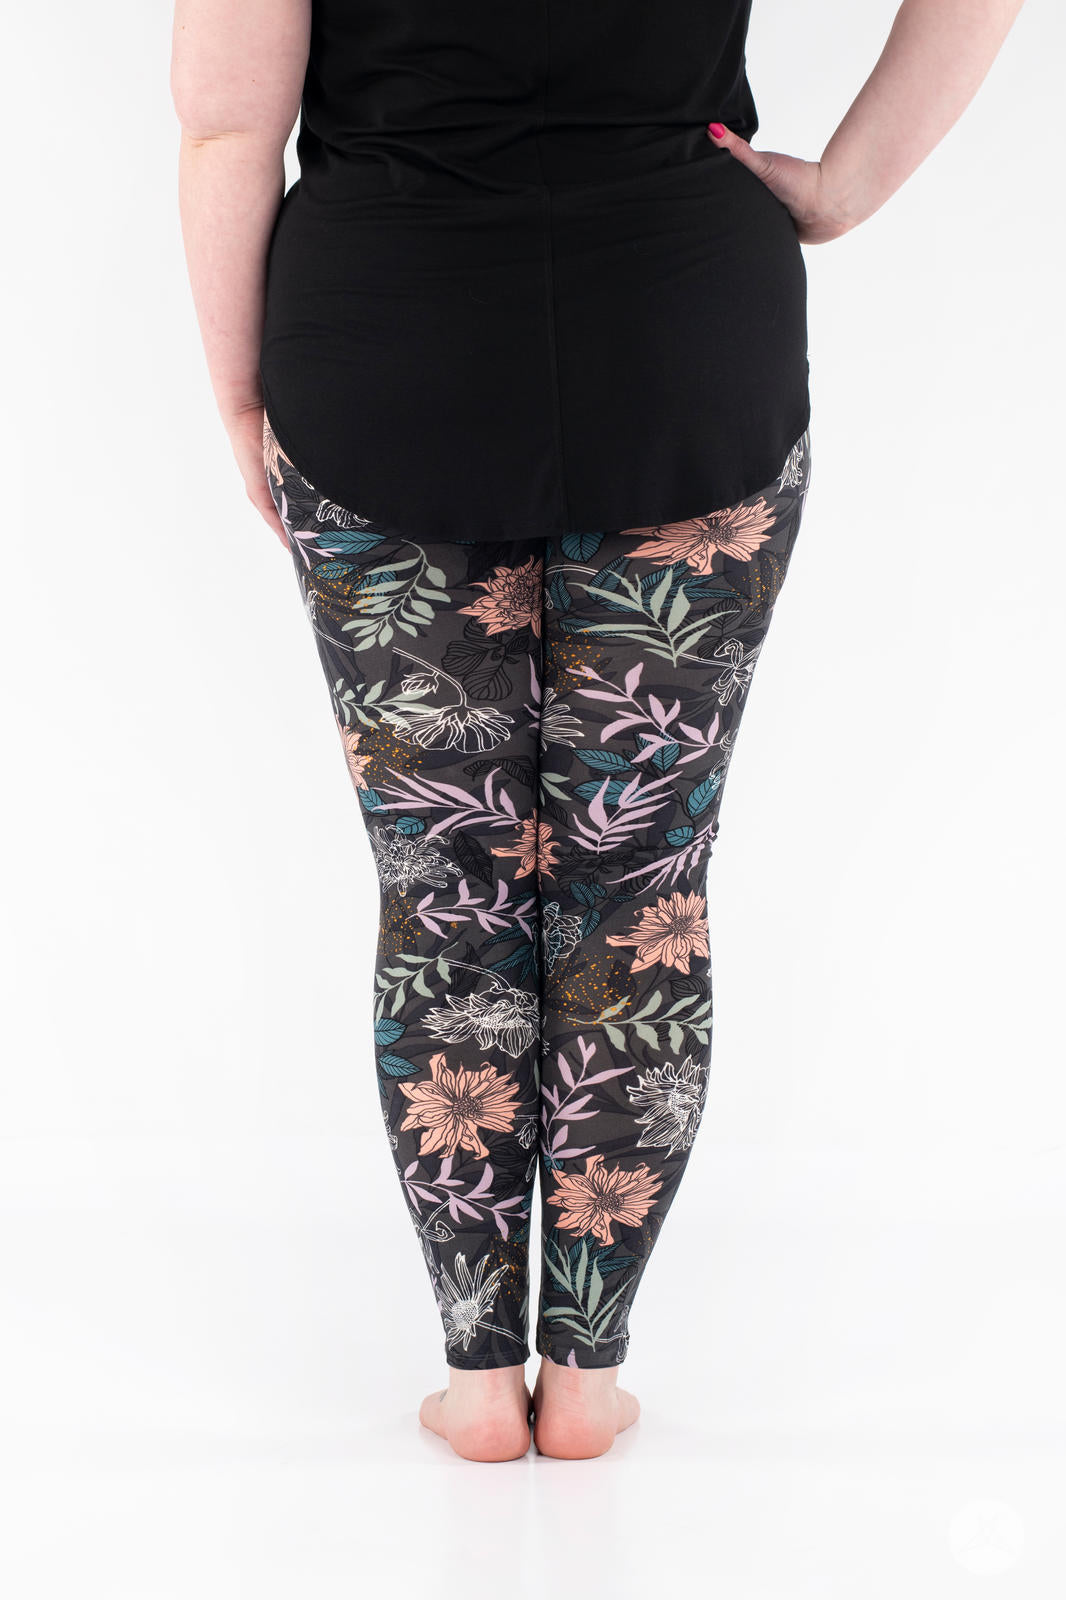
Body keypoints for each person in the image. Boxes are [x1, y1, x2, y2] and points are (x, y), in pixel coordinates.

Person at [171, 0, 1027, 1461]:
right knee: (639, 893)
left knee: (449, 895)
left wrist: (242, 390)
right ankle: (585, 1377)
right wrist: (840, 188)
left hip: (383, 348)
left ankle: (474, 1384)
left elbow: (228, 124)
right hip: (687, 333)